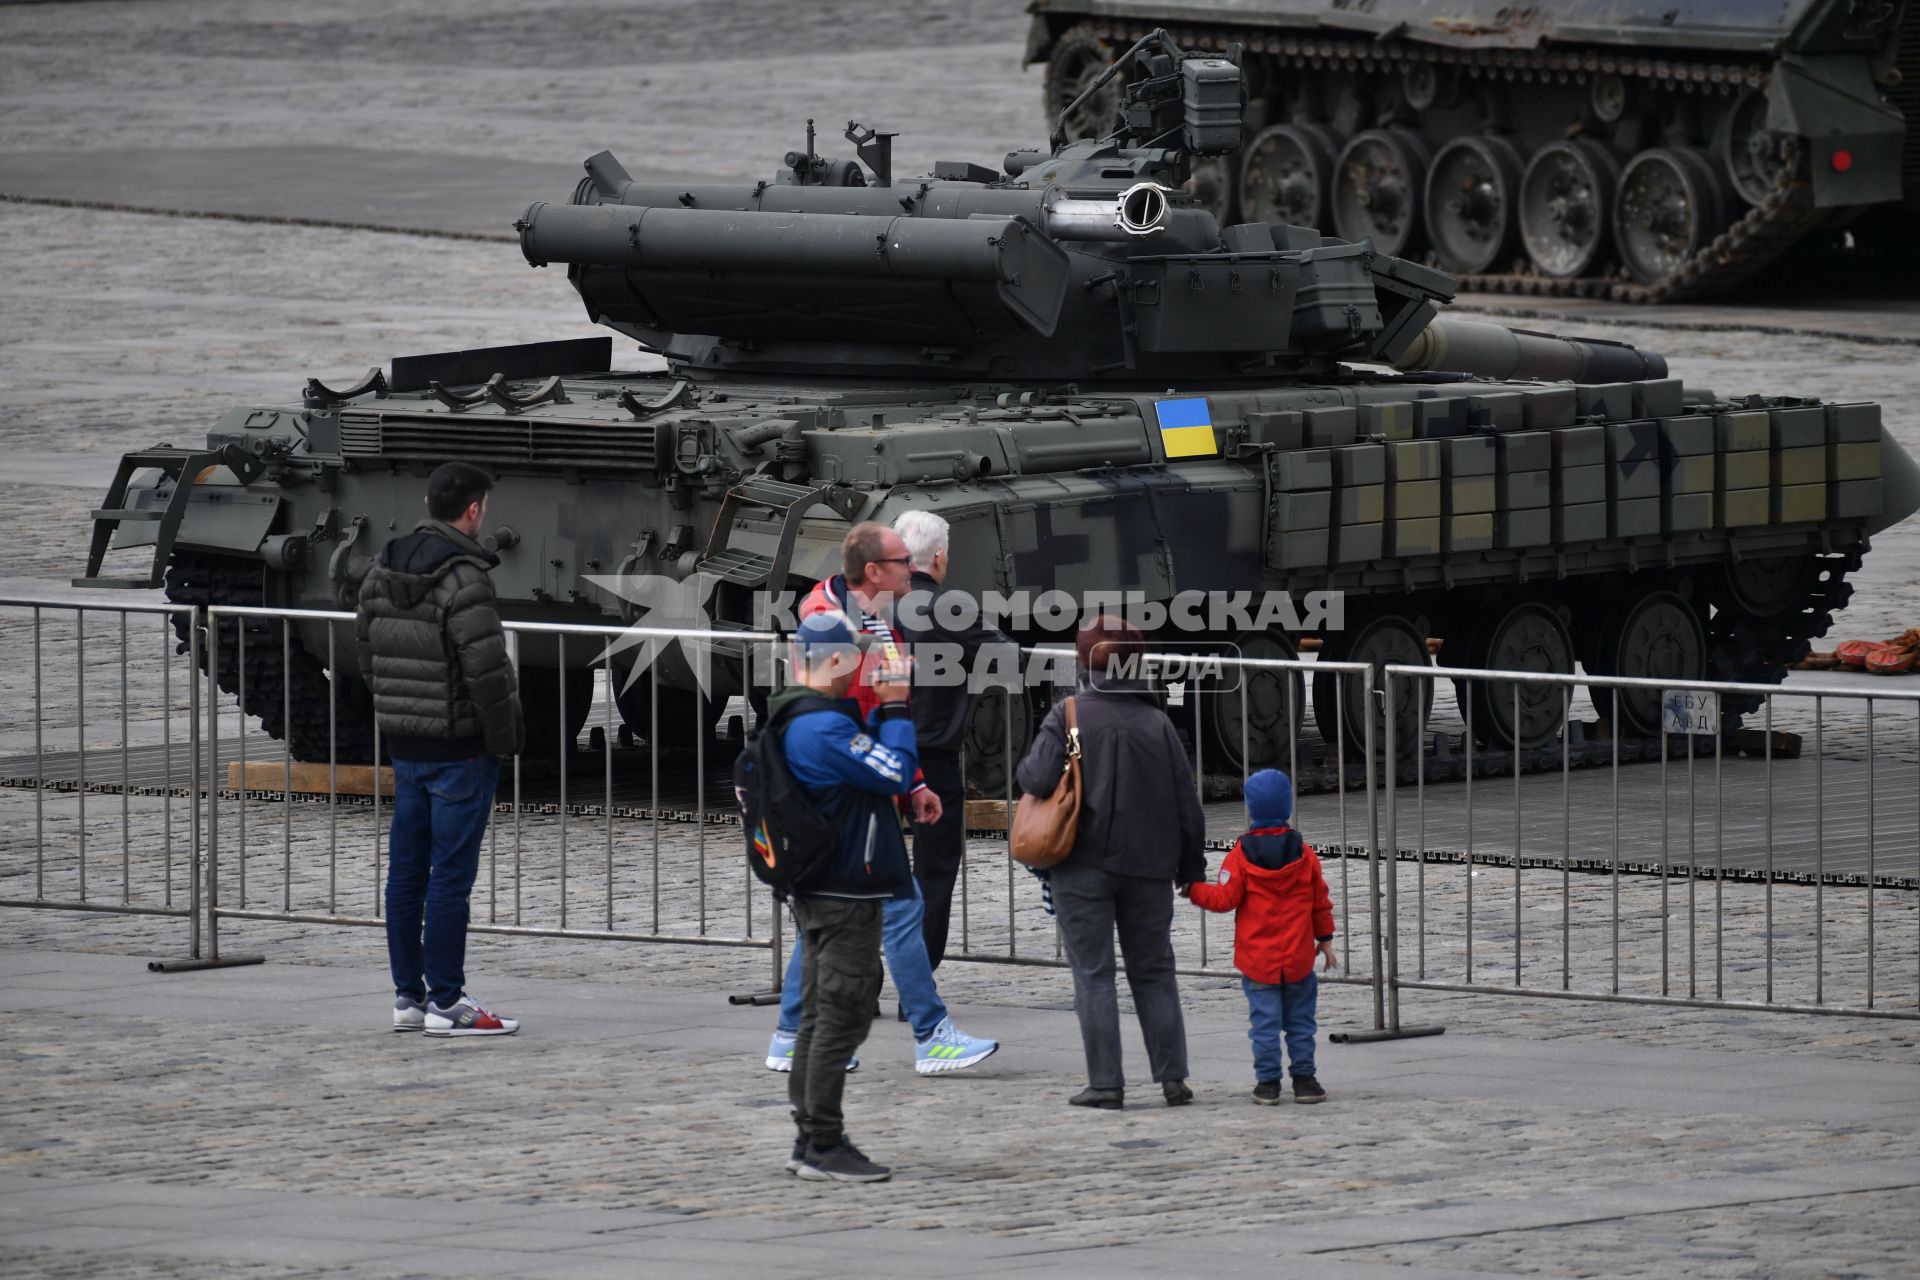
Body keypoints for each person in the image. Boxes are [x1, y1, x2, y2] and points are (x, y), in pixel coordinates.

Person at [765, 523, 999, 1076]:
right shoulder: (830, 624)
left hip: (856, 787)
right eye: (900, 562)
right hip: (848, 792)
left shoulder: (871, 619)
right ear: (874, 571)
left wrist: (915, 783)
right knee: (897, 908)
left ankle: (791, 1036)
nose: (910, 570)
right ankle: (930, 1034)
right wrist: (900, 758)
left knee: (824, 918)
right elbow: (873, 714)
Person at [354, 461, 524, 1038]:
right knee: (450, 877)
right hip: (460, 749)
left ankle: (408, 996)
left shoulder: (380, 568)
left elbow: (366, 653)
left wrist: (397, 715)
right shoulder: (465, 578)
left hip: (406, 744)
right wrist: (503, 742)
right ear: (473, 510)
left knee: (406, 873)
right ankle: (446, 1001)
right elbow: (487, 673)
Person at [1015, 615, 1206, 1110]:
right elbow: (1188, 805)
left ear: (1083, 662)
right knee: (1155, 970)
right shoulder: (1158, 723)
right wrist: (1191, 869)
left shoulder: (1069, 715)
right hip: (1148, 869)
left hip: (1081, 865)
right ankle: (1172, 1078)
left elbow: (1034, 779)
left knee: (1093, 973)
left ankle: (1106, 1084)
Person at [774, 610, 920, 1182]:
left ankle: (809, 1135)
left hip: (818, 884)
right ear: (833, 662)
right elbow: (894, 773)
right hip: (842, 890)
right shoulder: (823, 729)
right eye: (853, 656)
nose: (862, 665)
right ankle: (823, 1143)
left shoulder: (796, 716)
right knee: (843, 1011)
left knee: (817, 1012)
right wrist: (896, 707)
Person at [891, 509, 1016, 971]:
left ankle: (859, 978)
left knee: (866, 864)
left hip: (869, 750)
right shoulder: (948, 608)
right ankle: (917, 979)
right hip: (931, 757)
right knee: (935, 867)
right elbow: (1007, 657)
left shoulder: (870, 605)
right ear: (939, 557)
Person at [1184, 768, 1336, 1105]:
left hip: (1258, 961)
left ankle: (1268, 1084)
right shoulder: (1305, 854)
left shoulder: (1239, 857)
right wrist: (1324, 940)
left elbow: (1223, 900)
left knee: (1264, 1026)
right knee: (1300, 1024)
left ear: (1251, 808)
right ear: (1287, 807)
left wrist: (1193, 889)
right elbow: (1319, 901)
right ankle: (1305, 1080)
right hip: (1298, 959)